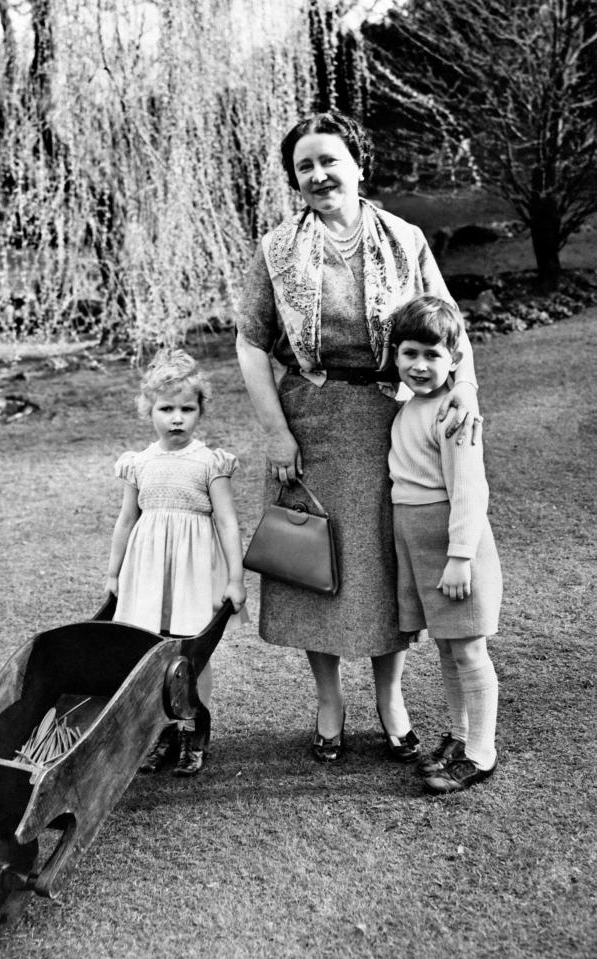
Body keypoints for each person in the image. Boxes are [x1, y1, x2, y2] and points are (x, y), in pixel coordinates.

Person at [235, 109, 481, 763]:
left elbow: (449, 327)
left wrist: (465, 406)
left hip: (386, 423)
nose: (318, 174)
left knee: (378, 569)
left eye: (328, 160)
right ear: (295, 179)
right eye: (304, 166)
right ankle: (328, 702)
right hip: (307, 429)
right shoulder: (277, 249)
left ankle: (391, 699)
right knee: (313, 564)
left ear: (356, 165)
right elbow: (251, 342)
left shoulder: (404, 238)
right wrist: (275, 431)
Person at [106, 349, 248, 776]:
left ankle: (193, 730)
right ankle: (161, 730)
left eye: (187, 409)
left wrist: (236, 578)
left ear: (200, 411)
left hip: (193, 573)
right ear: (148, 409)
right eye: (166, 408)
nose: (177, 418)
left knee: (192, 654)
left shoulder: (210, 463)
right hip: (149, 571)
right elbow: (127, 520)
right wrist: (114, 573)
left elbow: (226, 522)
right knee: (153, 653)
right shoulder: (139, 464)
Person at [388, 295, 502, 793]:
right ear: (396, 356)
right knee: (449, 649)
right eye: (410, 352)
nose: (420, 365)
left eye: (434, 355)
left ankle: (481, 752)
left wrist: (460, 558)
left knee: (470, 650)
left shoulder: (455, 415)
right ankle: (460, 736)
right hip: (418, 541)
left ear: (455, 360)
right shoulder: (410, 407)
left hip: (454, 547)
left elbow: (470, 492)